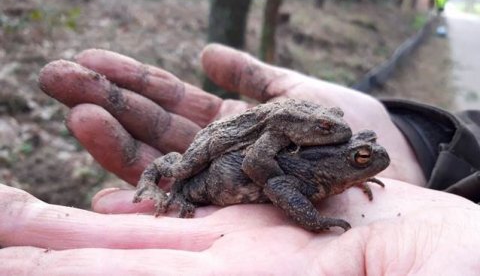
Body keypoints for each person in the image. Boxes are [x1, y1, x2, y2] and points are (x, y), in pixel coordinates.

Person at [1, 44, 480, 274]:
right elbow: (265, 175)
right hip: (218, 156)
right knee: (184, 166)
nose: (361, 151)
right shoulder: (274, 138)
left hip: (258, 159)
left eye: (358, 149)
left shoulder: (314, 148)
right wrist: (312, 218)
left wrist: (395, 153)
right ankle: (158, 184)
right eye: (357, 156)